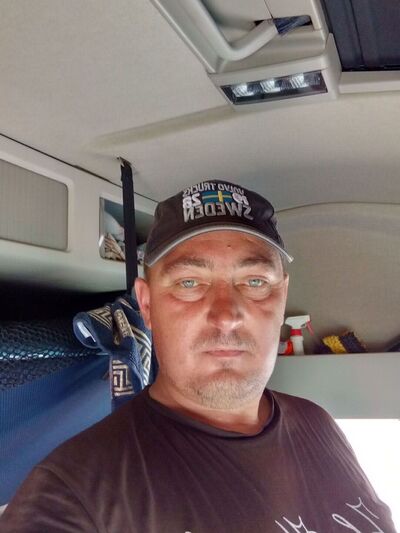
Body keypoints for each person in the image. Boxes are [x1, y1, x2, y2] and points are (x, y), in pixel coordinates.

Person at [1, 179, 395, 532]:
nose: (226, 315)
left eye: (254, 281)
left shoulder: (317, 423)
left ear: (282, 297)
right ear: (147, 305)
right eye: (189, 282)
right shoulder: (73, 495)